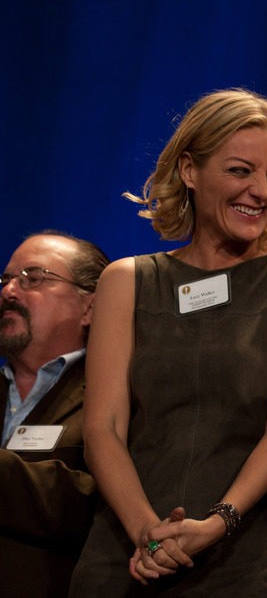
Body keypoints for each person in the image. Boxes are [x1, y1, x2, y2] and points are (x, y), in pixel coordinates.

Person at [69, 88, 267, 595]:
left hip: (244, 564)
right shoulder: (126, 281)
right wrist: (147, 535)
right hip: (126, 560)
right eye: (241, 171)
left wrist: (217, 524)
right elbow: (102, 427)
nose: (262, 190)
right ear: (190, 171)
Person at [0, 231, 108, 597]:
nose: (9, 292)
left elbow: (97, 506)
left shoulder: (115, 395)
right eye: (6, 279)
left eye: (33, 278)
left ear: (90, 307)